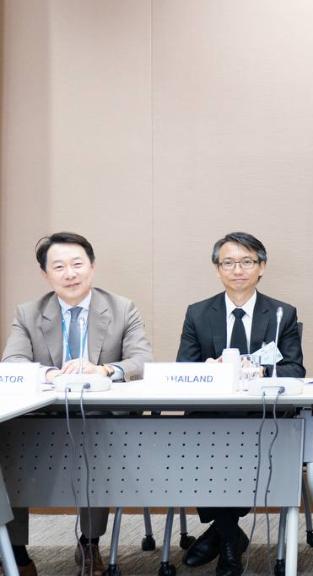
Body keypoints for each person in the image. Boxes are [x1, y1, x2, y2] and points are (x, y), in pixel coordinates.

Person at [2, 232, 152, 576]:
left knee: (95, 441)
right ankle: (17, 554)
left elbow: (142, 360)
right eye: (59, 267)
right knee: (7, 444)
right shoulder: (28, 313)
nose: (70, 273)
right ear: (46, 275)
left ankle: (90, 542)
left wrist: (103, 369)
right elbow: (12, 361)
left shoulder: (121, 308)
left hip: (98, 416)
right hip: (39, 416)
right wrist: (49, 373)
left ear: (92, 267)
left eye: (77, 264)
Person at [175, 232, 304, 576]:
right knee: (203, 445)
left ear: (262, 267)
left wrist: (261, 370)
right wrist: (209, 369)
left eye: (247, 261)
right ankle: (231, 535)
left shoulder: (282, 313)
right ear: (217, 269)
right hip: (210, 418)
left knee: (237, 447)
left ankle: (223, 536)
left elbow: (295, 370)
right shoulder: (198, 313)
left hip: (261, 417)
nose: (237, 270)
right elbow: (183, 370)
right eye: (228, 262)